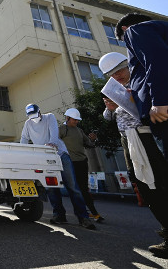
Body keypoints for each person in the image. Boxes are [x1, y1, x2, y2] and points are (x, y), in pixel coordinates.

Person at [99, 51, 168, 258]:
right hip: (128, 140)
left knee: (159, 182)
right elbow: (108, 117)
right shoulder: (115, 90)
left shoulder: (142, 82)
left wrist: (134, 98)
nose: (117, 76)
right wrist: (110, 108)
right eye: (112, 74)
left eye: (120, 69)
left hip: (147, 137)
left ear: (128, 65)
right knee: (144, 186)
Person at [20, 104, 96, 230]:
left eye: (35, 114)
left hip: (59, 155)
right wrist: (23, 152)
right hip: (43, 158)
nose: (34, 118)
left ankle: (83, 217)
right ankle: (59, 215)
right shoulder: (28, 124)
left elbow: (54, 133)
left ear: (40, 111)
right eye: (31, 116)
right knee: (51, 188)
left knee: (72, 186)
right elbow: (24, 138)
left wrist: (52, 143)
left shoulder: (49, 117)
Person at [115, 13, 168, 161]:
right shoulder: (159, 31)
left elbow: (157, 60)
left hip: (162, 110)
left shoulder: (136, 30)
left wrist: (160, 101)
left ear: (125, 29)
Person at [59, 108, 104, 222]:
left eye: (77, 120)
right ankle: (88, 213)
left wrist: (93, 139)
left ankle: (92, 213)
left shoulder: (79, 130)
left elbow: (89, 144)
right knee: (76, 189)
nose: (76, 122)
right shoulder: (62, 129)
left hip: (82, 162)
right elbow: (54, 141)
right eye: (74, 120)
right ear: (67, 118)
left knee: (83, 188)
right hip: (69, 163)